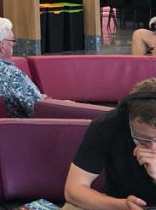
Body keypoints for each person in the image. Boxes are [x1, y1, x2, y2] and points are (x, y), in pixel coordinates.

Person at [64, 78, 156, 209]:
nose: (153, 148)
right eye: (143, 138)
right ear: (127, 117)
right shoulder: (106, 126)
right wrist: (121, 205)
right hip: (114, 202)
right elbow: (73, 190)